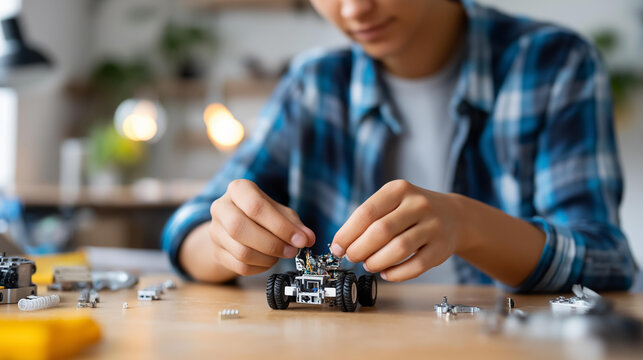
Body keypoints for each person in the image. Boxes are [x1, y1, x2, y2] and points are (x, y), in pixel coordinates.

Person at [162, 0, 637, 292]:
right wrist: (224, 240)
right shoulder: (313, 83)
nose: (352, 9)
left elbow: (606, 260)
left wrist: (466, 223)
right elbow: (189, 227)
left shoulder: (555, 63)